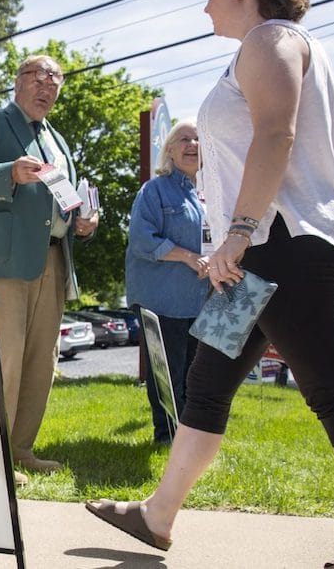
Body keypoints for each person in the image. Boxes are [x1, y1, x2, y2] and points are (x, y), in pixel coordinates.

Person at [86, 0, 334, 567]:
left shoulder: (271, 40)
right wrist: (231, 244)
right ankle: (157, 516)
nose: (203, 2)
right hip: (255, 258)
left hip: (284, 247)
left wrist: (238, 232)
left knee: (333, 391)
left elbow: (276, 133)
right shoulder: (260, 49)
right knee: (206, 384)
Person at [0, 54, 99, 485]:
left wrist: (82, 221)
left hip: (54, 258)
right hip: (6, 258)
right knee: (4, 358)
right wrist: (8, 173)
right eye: (39, 75)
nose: (47, 85)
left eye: (56, 79)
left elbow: (63, 200)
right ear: (17, 82)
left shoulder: (58, 140)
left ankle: (20, 449)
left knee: (40, 361)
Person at [124, 120, 211, 445]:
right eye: (184, 139)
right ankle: (167, 436)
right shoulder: (154, 190)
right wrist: (189, 257)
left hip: (199, 301)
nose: (192, 144)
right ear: (170, 150)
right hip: (162, 300)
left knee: (194, 374)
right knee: (168, 375)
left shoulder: (207, 195)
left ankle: (187, 439)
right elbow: (142, 240)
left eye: (198, 139)